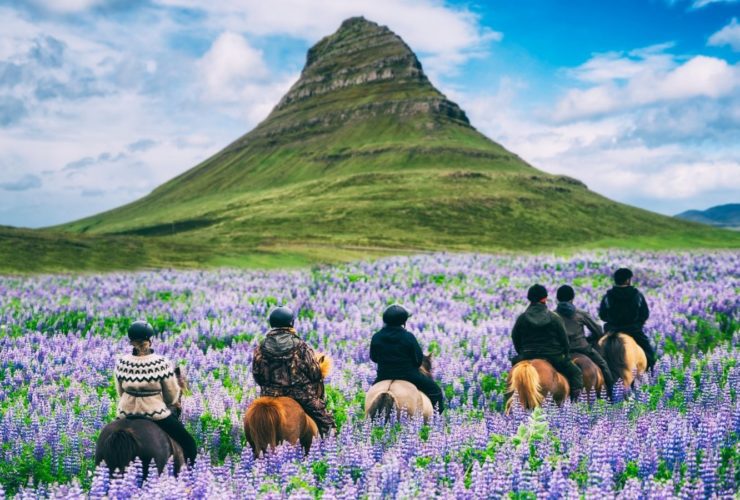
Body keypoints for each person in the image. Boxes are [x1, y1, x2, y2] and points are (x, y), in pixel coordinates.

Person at [114, 320, 197, 465]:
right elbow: (171, 394)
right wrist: (165, 403)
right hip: (155, 414)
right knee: (188, 442)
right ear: (150, 341)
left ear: (130, 341)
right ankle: (190, 475)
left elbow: (120, 391)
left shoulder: (122, 362)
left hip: (125, 413)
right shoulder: (160, 363)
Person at [252, 307, 335, 436]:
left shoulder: (261, 346)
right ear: (291, 323)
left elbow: (257, 374)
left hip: (269, 393)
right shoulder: (300, 345)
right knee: (326, 421)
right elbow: (314, 372)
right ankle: (330, 441)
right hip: (300, 394)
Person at [511, 284, 584, 400]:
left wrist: (522, 353)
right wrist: (565, 353)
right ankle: (577, 403)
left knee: (513, 372)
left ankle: (509, 400)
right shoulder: (554, 317)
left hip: (527, 354)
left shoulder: (522, 318)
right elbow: (564, 340)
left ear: (529, 298)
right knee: (576, 373)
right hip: (553, 356)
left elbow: (515, 338)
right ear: (544, 299)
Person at [370, 304, 445, 412]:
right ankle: (438, 421)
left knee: (371, 394)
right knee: (435, 391)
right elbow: (418, 360)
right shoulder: (408, 337)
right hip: (409, 375)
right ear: (403, 322)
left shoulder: (377, 336)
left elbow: (374, 358)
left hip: (383, 375)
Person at [555, 285, 615, 396]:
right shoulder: (580, 313)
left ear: (557, 299)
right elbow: (598, 330)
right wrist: (589, 339)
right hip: (582, 348)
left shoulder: (553, 315)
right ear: (572, 298)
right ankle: (611, 394)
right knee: (603, 364)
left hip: (561, 352)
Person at [598, 268, 656, 369]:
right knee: (649, 355)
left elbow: (602, 315)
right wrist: (637, 324)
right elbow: (644, 314)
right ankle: (650, 376)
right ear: (628, 280)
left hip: (612, 331)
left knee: (596, 353)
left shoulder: (608, 296)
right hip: (633, 330)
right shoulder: (637, 295)